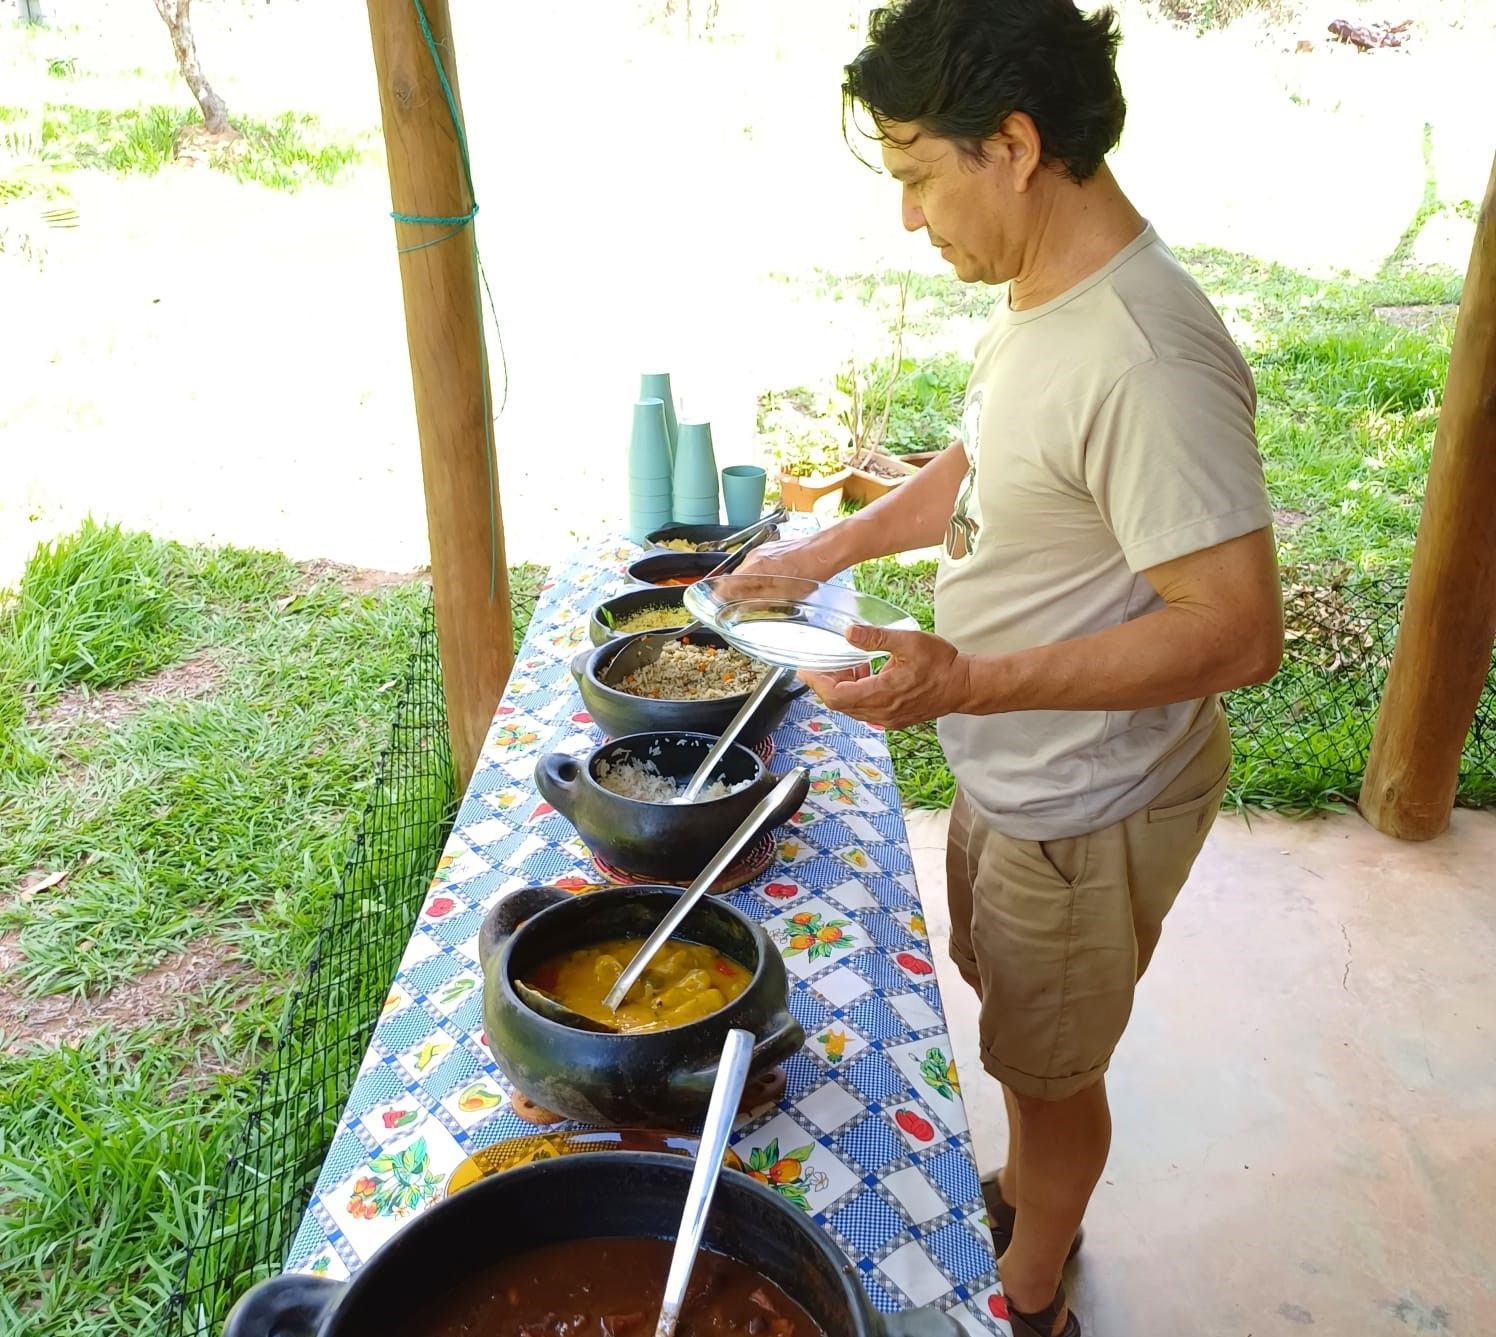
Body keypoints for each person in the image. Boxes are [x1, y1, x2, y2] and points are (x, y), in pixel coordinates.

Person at [741, 3, 1284, 1334]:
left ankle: (1031, 1287)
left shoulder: (1147, 355)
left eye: (921, 176)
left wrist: (964, 684)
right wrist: (832, 550)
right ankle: (1035, 1189)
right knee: (1013, 1020)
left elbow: (1239, 632)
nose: (913, 219)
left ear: (1015, 145)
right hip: (1016, 771)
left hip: (1084, 802)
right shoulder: (1044, 291)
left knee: (1049, 1070)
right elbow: (988, 467)